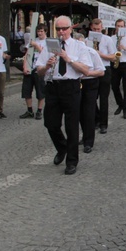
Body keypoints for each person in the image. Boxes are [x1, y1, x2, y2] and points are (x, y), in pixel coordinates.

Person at [35, 16, 92, 175]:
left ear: (70, 29)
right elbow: (39, 71)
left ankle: (72, 161)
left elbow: (86, 70)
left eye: (64, 29)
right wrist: (46, 65)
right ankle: (62, 147)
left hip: (71, 86)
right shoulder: (49, 46)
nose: (61, 32)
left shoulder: (78, 46)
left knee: (71, 125)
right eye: (58, 29)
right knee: (50, 123)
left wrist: (69, 59)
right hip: (53, 87)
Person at [75, 33, 105, 154]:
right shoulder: (72, 54)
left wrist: (88, 73)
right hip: (76, 83)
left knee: (88, 111)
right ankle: (84, 136)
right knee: (79, 112)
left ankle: (89, 142)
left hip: (90, 83)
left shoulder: (91, 52)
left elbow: (101, 71)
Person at [89, 18, 116, 134]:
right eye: (94, 29)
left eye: (98, 29)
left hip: (105, 69)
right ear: (91, 28)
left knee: (104, 98)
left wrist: (101, 54)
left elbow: (114, 57)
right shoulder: (87, 40)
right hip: (92, 70)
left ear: (102, 28)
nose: (97, 31)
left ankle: (103, 124)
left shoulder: (107, 39)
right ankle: (96, 119)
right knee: (91, 98)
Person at [19, 24, 47, 120]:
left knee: (40, 91)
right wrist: (24, 66)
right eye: (38, 31)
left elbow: (45, 54)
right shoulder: (33, 40)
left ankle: (39, 111)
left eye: (41, 31)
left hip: (40, 69)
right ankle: (29, 110)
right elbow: (26, 54)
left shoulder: (47, 42)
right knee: (26, 90)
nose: (39, 33)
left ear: (45, 31)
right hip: (30, 68)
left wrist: (37, 46)